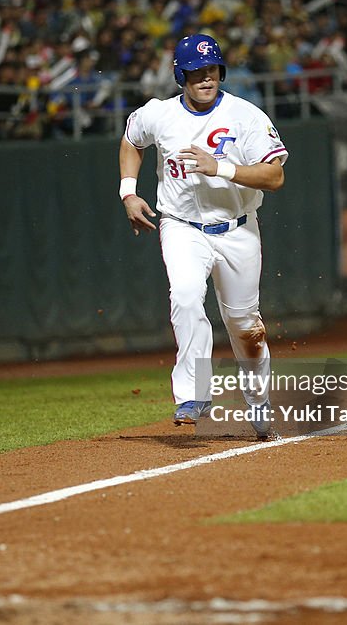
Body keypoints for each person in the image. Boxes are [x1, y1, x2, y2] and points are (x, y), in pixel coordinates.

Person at [119, 33, 286, 440]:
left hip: (237, 229)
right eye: (196, 72)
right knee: (186, 296)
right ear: (181, 75)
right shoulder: (159, 114)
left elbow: (275, 176)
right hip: (180, 226)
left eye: (211, 70)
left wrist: (222, 168)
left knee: (244, 322)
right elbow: (131, 139)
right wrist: (128, 190)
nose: (205, 78)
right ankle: (193, 394)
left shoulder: (246, 115)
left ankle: (259, 400)